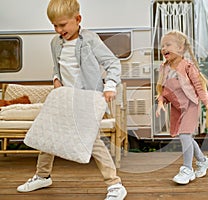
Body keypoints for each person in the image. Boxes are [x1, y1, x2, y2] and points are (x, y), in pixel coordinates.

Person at [17, 0, 127, 199]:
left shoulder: (90, 40)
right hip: (65, 98)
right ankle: (43, 176)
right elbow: (57, 67)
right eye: (54, 26)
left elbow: (112, 63)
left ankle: (115, 184)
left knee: (92, 141)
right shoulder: (55, 43)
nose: (59, 30)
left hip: (86, 99)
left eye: (62, 25)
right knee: (48, 135)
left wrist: (110, 86)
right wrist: (56, 79)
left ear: (78, 19)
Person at [155, 30, 208, 185]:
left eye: (168, 45)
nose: (164, 48)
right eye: (162, 46)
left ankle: (187, 169)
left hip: (190, 105)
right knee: (186, 136)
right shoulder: (164, 68)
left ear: (180, 48)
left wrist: (207, 104)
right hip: (177, 108)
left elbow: (199, 86)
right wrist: (161, 103)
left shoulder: (187, 66)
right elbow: (162, 89)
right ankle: (202, 161)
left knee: (184, 135)